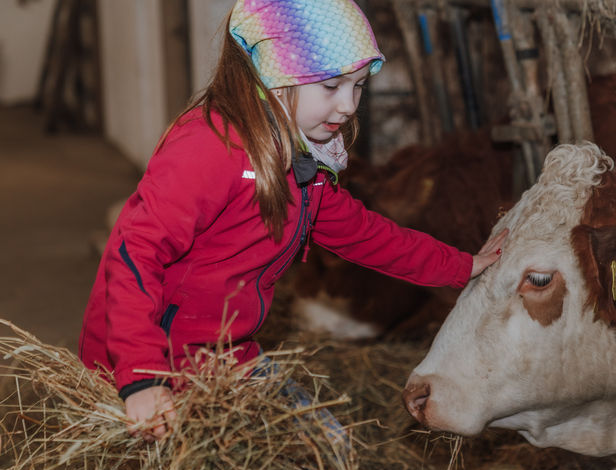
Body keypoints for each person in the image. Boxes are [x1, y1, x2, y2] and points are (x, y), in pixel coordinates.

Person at [78, 0, 508, 442]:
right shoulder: (209, 148)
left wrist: (461, 266)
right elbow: (134, 253)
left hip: (226, 355)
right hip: (158, 360)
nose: (347, 105)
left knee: (326, 449)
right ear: (272, 77)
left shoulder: (303, 159)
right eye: (331, 85)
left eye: (358, 86)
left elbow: (364, 234)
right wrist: (142, 379)